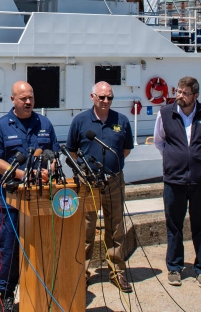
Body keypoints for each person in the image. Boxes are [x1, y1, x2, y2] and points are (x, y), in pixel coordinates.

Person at [0, 81, 58, 312]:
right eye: (23, 98)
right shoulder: (1, 126)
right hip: (11, 198)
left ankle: (40, 289)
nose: (28, 102)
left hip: (41, 196)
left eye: (31, 97)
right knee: (10, 247)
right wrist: (22, 174)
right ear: (13, 100)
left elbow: (54, 154)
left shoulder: (44, 123)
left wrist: (51, 169)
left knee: (42, 244)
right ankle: (6, 295)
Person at [152, 76, 201, 288]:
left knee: (200, 226)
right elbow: (159, 142)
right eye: (179, 91)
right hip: (174, 179)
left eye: (185, 93)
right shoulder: (165, 114)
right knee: (174, 225)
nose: (180, 96)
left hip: (200, 180)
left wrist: (196, 161)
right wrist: (177, 159)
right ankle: (174, 267)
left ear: (196, 96)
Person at [66, 81, 134, 291]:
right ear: (92, 97)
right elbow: (72, 151)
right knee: (86, 228)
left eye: (110, 98)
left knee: (115, 227)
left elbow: (125, 149)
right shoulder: (80, 121)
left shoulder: (121, 120)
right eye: (102, 97)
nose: (106, 101)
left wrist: (110, 168)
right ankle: (82, 272)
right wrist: (87, 172)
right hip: (88, 182)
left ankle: (117, 271)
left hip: (113, 180)